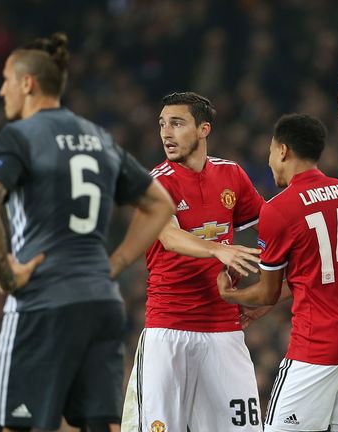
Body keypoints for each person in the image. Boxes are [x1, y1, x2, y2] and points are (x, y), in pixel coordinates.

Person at [0, 33, 174, 432]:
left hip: (41, 303)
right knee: (102, 425)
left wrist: (7, 276)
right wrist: (113, 264)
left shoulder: (19, 136)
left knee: (9, 425)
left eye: (6, 79)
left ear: (28, 83)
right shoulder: (98, 137)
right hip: (101, 301)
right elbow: (160, 204)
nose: (0, 90)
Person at [218, 113, 338, 432]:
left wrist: (231, 293)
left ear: (283, 150)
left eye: (271, 152)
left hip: (317, 348)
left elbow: (266, 291)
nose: (270, 161)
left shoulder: (279, 209)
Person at [121, 92, 266, 432]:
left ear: (203, 129)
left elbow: (272, 226)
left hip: (225, 332)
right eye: (161, 125)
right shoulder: (154, 182)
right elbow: (169, 237)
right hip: (169, 331)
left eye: (176, 123)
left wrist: (270, 291)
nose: (166, 133)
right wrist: (218, 249)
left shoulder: (232, 175)